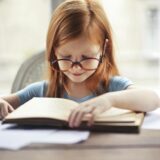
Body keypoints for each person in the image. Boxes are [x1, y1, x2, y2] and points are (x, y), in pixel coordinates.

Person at [0, 0, 159, 128]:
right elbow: (4, 101)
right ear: (54, 51)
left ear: (104, 49)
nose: (76, 67)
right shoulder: (42, 91)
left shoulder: (112, 87)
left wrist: (109, 100)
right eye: (66, 56)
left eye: (86, 57)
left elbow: (153, 99)